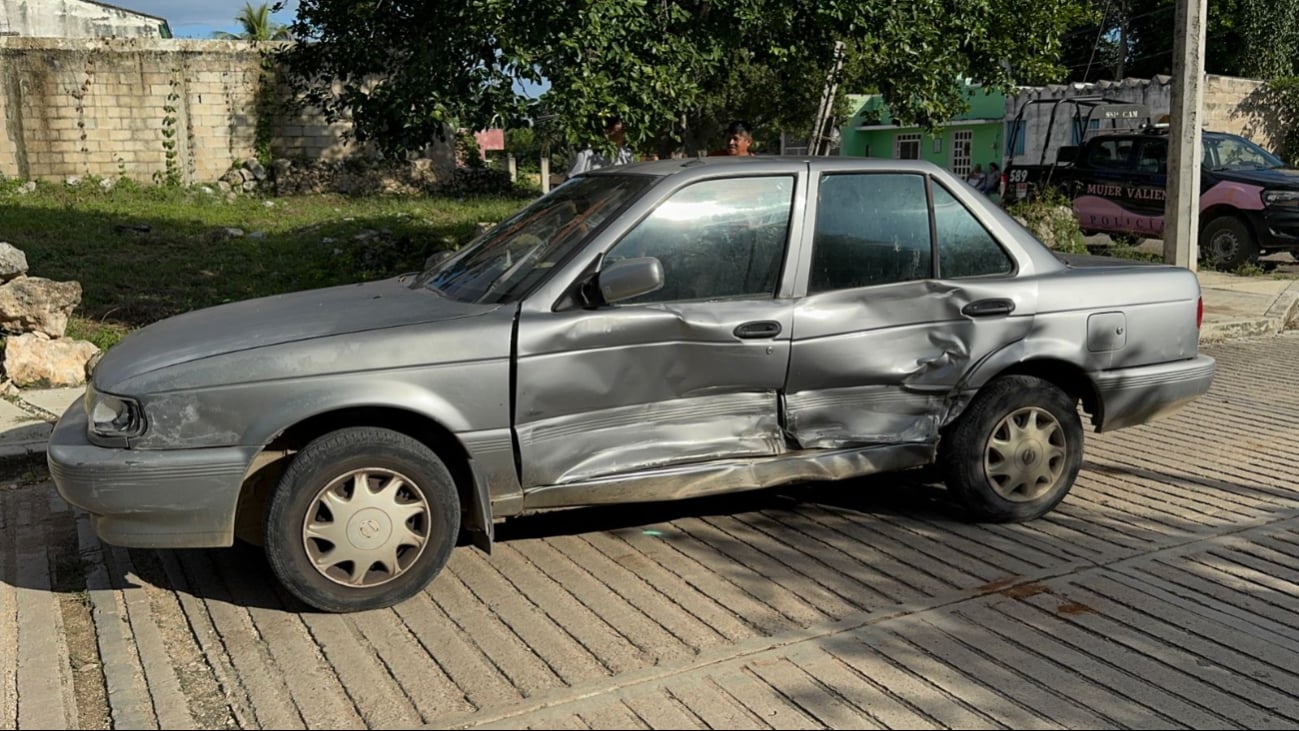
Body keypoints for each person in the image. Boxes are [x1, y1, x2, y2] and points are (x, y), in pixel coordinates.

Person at [568, 117, 634, 177]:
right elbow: (572, 181)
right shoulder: (587, 155)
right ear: (607, 130)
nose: (623, 128)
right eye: (618, 123)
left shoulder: (627, 154)